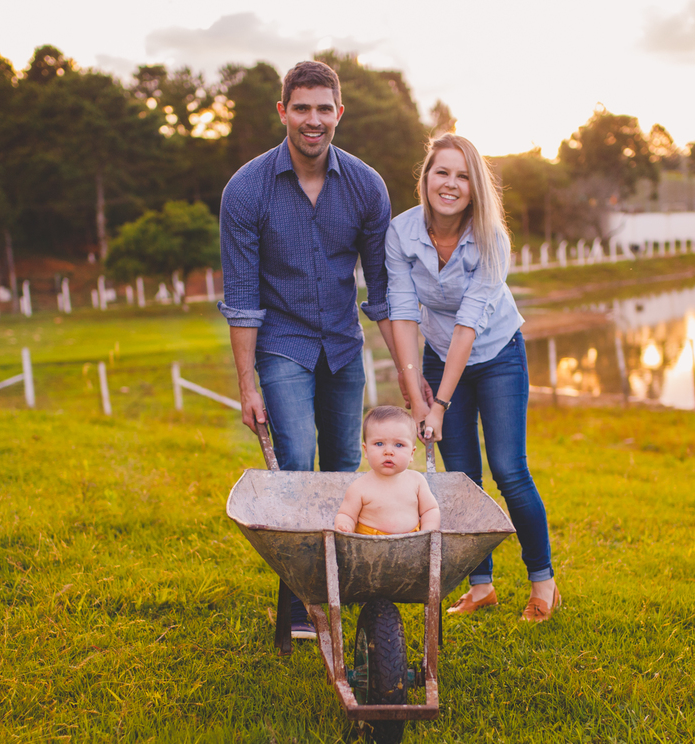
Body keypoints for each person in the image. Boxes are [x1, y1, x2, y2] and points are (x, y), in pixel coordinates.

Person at [218, 61, 430, 639]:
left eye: (324, 108)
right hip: (282, 346)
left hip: (341, 345)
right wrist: (247, 385)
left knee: (343, 473)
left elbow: (384, 296)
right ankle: (297, 604)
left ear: (340, 113)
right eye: (302, 107)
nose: (313, 120)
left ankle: (343, 596)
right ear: (283, 111)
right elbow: (241, 300)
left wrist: (413, 390)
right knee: (297, 464)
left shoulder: (365, 186)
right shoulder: (247, 190)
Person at [385, 134, 559, 622]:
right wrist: (414, 393)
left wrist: (438, 404)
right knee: (461, 478)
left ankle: (542, 581)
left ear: (475, 187)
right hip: (441, 356)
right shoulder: (400, 233)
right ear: (426, 178)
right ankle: (480, 586)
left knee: (508, 469)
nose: (451, 184)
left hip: (498, 352)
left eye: (463, 176)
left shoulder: (491, 238)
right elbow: (402, 310)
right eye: (442, 172)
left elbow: (469, 321)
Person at [335, 406, 441, 536]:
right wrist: (345, 525)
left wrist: (427, 533)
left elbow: (430, 510)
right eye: (379, 444)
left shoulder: (417, 481)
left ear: (412, 453)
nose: (388, 452)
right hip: (369, 545)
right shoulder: (359, 487)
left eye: (398, 445)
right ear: (366, 450)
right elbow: (346, 514)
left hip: (413, 544)